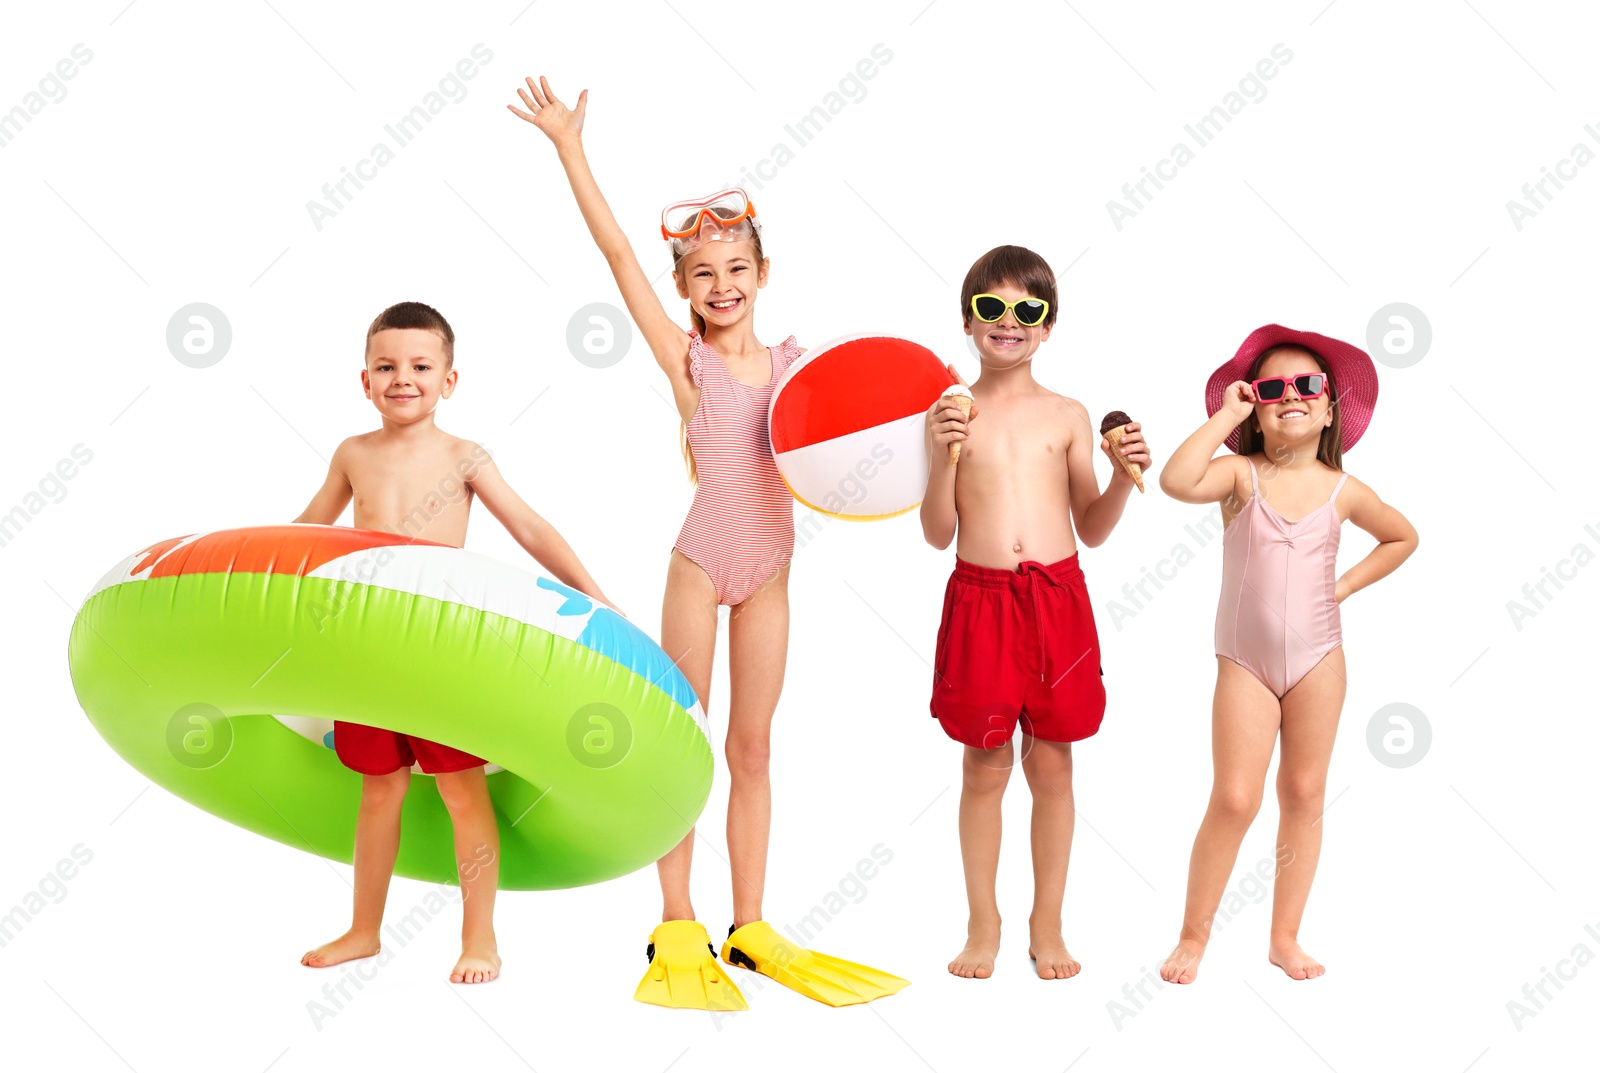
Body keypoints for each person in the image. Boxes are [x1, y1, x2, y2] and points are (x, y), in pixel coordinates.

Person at [508, 76, 905, 1009]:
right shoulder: (686, 364)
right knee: (680, 743)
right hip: (698, 565)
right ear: (685, 289)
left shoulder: (800, 367)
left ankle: (751, 924)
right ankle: (678, 919)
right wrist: (571, 148)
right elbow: (614, 256)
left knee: (755, 748)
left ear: (763, 274)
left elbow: (884, 417)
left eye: (736, 270)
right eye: (702, 276)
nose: (721, 288)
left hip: (770, 573)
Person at [295, 300, 617, 984]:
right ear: (365, 381)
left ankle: (481, 937)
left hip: (441, 653)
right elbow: (306, 533)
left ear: (450, 379)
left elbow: (528, 527)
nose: (402, 378)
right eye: (386, 366)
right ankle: (363, 928)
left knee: (460, 791)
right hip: (366, 647)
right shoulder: (353, 453)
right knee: (379, 790)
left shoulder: (463, 456)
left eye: (419, 365)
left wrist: (594, 592)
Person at [1157, 324, 1417, 983]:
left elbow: (1402, 536)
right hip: (1244, 659)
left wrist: (1346, 585)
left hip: (1319, 657)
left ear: (1331, 405)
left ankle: (1285, 936)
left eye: (1307, 385)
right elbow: (1175, 479)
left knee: (1304, 790)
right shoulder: (1239, 473)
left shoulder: (1344, 488)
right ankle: (1193, 934)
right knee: (1236, 797)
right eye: (1271, 388)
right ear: (1255, 405)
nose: (1290, 395)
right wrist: (1226, 415)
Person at [921, 245, 1150, 980]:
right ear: (967, 320)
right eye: (992, 307)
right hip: (980, 599)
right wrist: (944, 456)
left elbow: (1094, 524)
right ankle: (980, 921)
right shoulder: (950, 413)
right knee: (984, 767)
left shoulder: (1069, 415)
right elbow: (935, 532)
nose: (1009, 321)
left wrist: (1121, 477)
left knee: (1052, 765)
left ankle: (1045, 922)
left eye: (1028, 310)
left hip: (1057, 601)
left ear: (1048, 326)